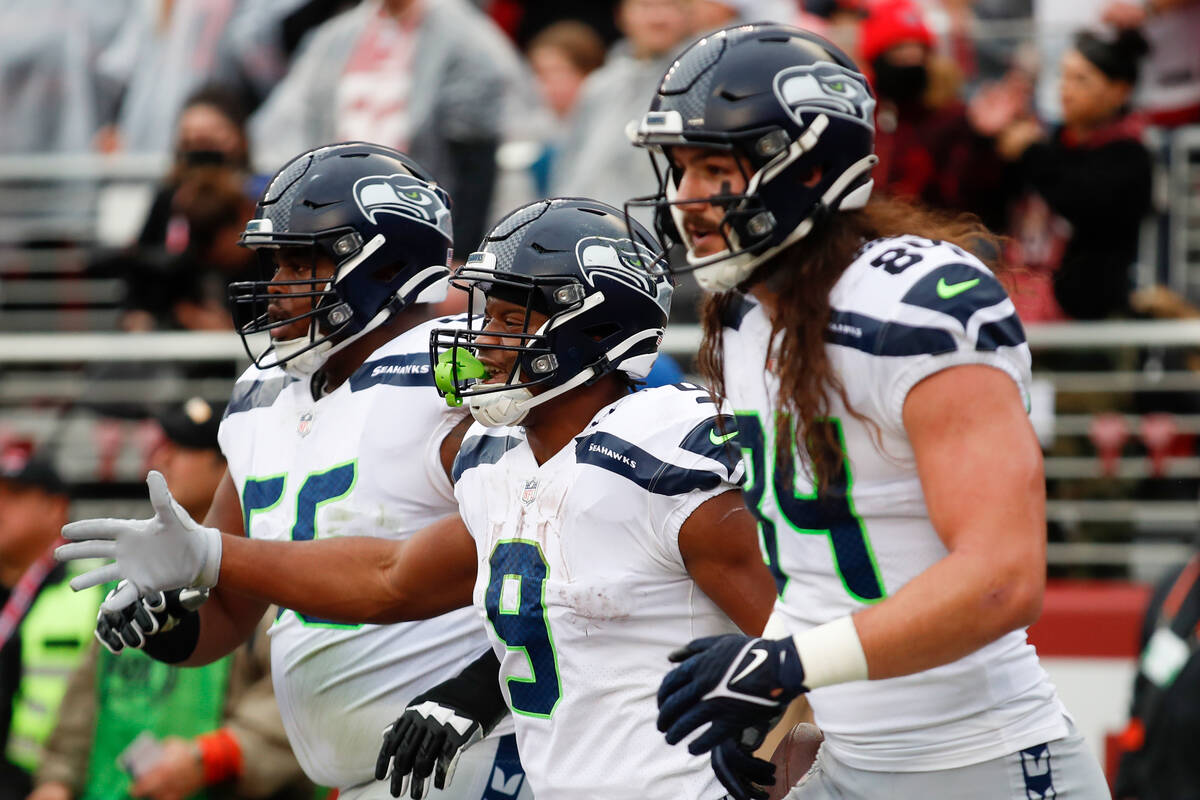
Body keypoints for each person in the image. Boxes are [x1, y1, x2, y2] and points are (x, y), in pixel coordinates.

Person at [56, 198, 780, 800]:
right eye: (483, 312)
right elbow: (390, 576)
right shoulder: (499, 462)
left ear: (593, 323)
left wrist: (786, 735)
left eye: (507, 317)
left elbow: (801, 635)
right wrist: (208, 558)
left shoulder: (664, 449)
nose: (477, 338)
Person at [625, 24, 1112, 798]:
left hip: (979, 765)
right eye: (679, 169)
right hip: (851, 763)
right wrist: (780, 695)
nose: (687, 200)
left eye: (715, 168)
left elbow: (1001, 579)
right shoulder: (749, 313)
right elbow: (824, 567)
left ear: (810, 166)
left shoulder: (913, 306)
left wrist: (786, 663)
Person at [69, 141, 530, 800]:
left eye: (300, 262)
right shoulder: (264, 393)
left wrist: (481, 689)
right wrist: (167, 616)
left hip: (481, 754)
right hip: (362, 777)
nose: (277, 284)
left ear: (385, 263)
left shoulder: (452, 376)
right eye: (275, 260)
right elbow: (230, 607)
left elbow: (543, 567)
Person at [28, 398, 312, 800]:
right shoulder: (133, 573)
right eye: (163, 446)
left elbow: (301, 696)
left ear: (226, 470)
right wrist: (55, 782)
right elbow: (89, 698)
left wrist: (209, 757)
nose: (164, 459)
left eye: (184, 449)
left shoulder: (260, 577)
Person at [247, 0, 531, 257]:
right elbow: (297, 127)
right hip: (339, 216)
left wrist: (460, 255)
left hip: (424, 219)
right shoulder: (336, 36)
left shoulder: (466, 37)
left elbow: (477, 156)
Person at [0, 448, 105, 800]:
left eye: (14, 496)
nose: (0, 507)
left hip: (59, 783)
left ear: (56, 508)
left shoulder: (96, 585)